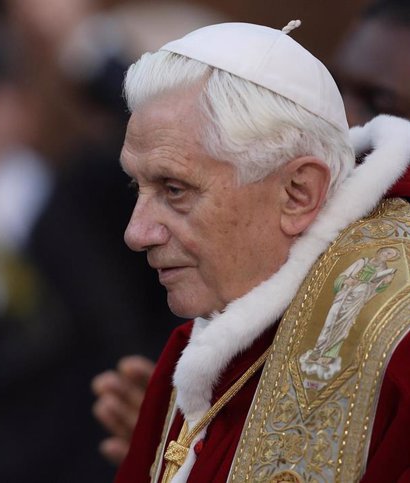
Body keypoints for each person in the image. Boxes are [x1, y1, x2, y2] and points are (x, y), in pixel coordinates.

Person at [94, 0, 410, 469]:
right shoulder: (202, 348)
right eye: (136, 186)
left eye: (175, 189)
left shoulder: (395, 343)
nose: (136, 233)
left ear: (299, 193)